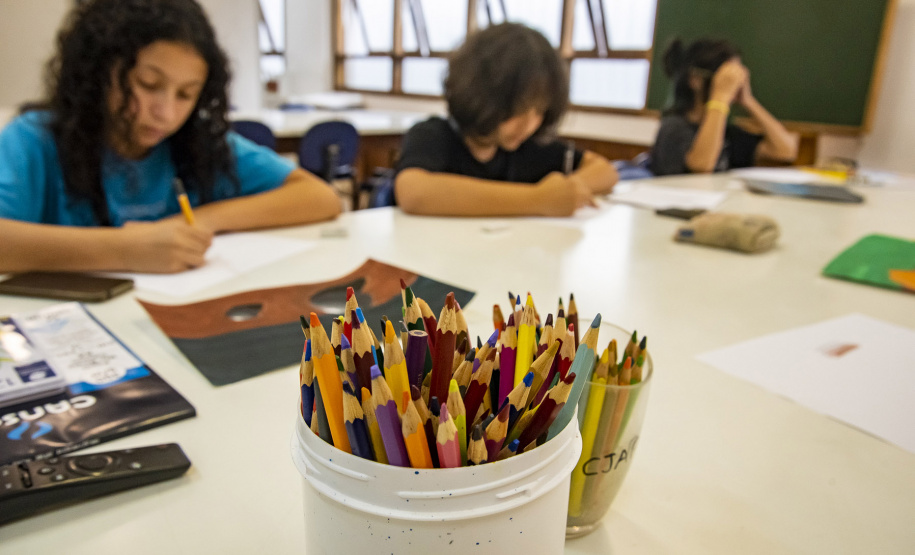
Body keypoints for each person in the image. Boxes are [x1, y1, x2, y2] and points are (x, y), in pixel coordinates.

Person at [0, 0, 340, 274]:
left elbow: (321, 198)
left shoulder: (197, 142)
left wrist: (196, 222)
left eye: (186, 94)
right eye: (148, 85)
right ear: (98, 72)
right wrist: (126, 249)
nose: (166, 113)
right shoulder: (34, 140)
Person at [394, 23, 618, 217]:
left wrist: (567, 192)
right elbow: (414, 192)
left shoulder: (531, 147)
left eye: (539, 111)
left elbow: (604, 170)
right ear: (481, 95)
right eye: (517, 110)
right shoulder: (433, 135)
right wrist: (538, 200)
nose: (529, 125)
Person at [649, 38, 798, 176]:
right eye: (726, 78)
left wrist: (748, 100)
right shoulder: (673, 127)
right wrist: (719, 98)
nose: (732, 85)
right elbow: (701, 166)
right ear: (696, 80)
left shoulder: (727, 132)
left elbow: (786, 150)